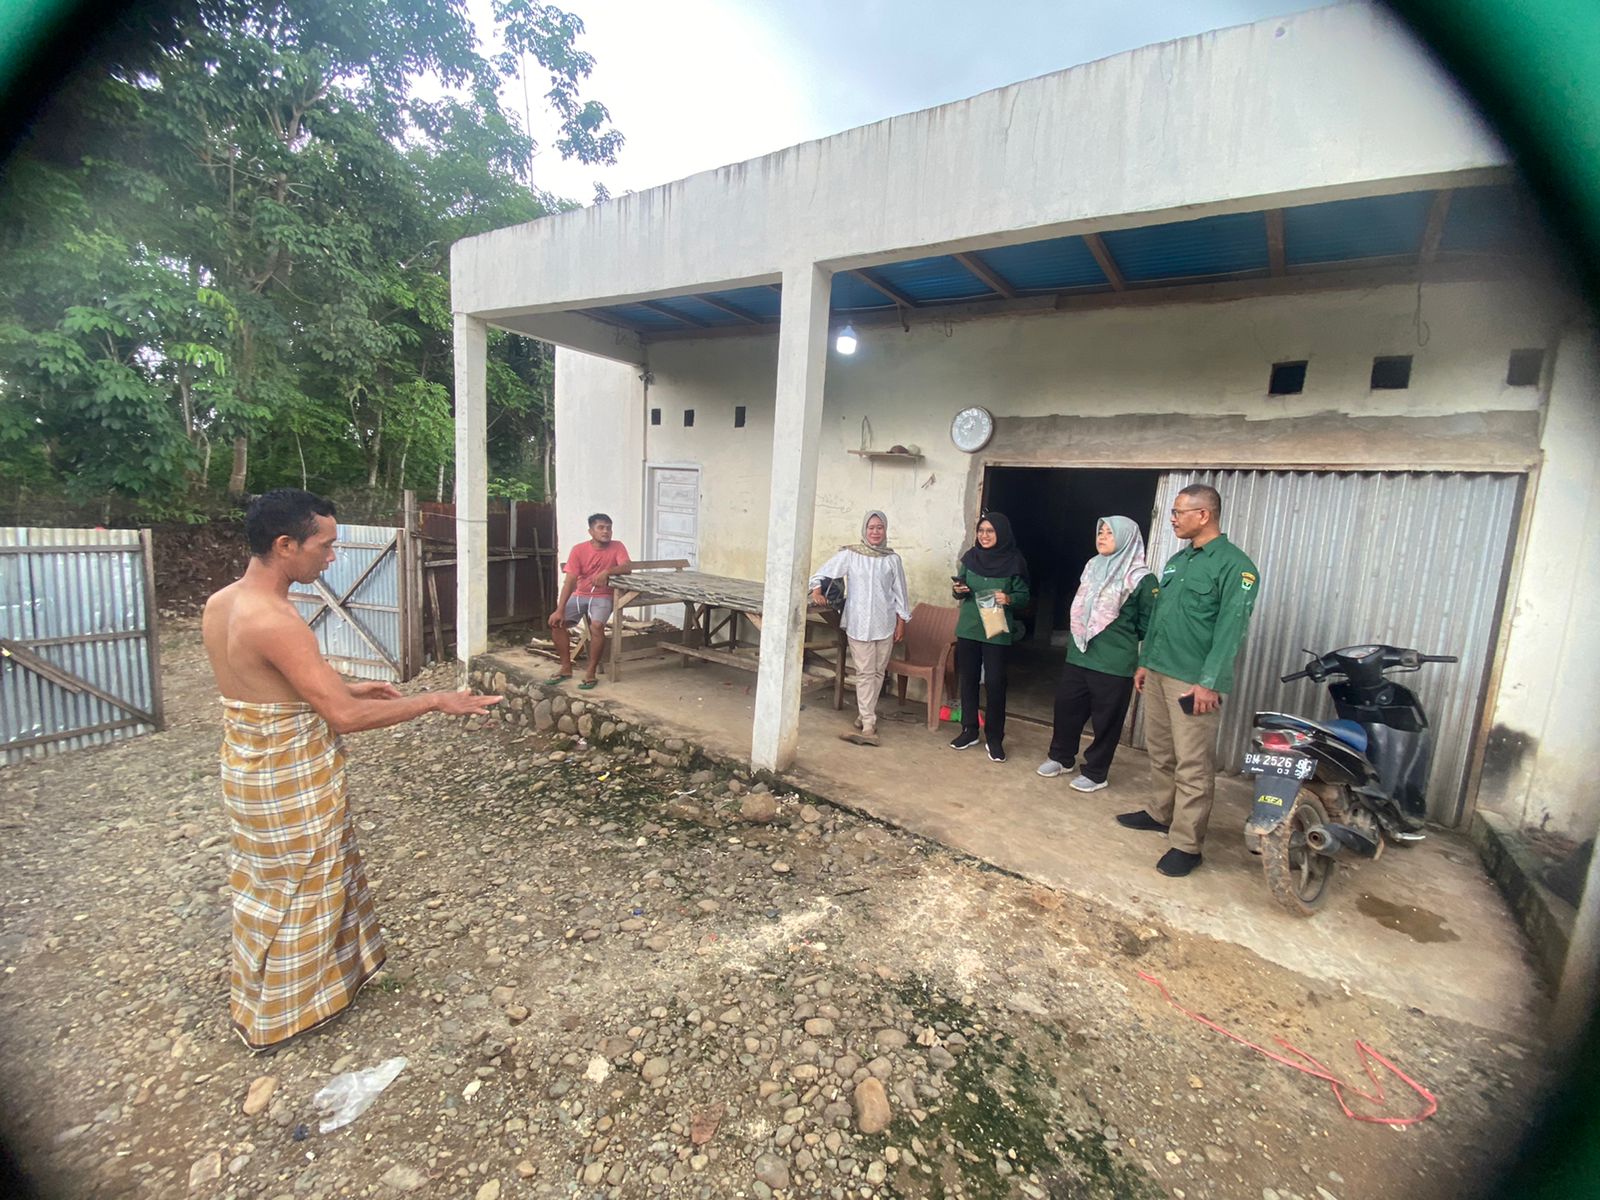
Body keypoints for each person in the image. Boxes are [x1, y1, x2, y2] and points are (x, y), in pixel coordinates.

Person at [201, 489, 502, 1051]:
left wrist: (346, 682)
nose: (333, 558)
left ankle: (298, 990)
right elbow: (341, 716)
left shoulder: (222, 603)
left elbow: (262, 686)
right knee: (306, 888)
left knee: (270, 886)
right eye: (327, 546)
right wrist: (435, 701)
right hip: (289, 775)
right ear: (285, 544)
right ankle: (281, 1016)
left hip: (247, 770)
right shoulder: (277, 617)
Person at [1115, 484, 1261, 878]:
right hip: (1161, 671)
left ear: (1204, 515)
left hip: (1193, 681)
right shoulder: (1179, 562)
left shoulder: (1235, 566)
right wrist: (1145, 661)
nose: (1173, 518)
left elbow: (1231, 630)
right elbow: (1161, 619)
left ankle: (1186, 844)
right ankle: (1161, 813)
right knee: (1161, 752)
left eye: (1180, 512)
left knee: (1193, 764)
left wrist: (1209, 682)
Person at [1037, 516, 1159, 791]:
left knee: (1107, 719)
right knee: (1067, 708)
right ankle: (1061, 757)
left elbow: (1149, 624)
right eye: (1100, 532)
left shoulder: (1141, 578)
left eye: (1109, 533)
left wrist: (1125, 645)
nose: (1102, 537)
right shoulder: (1092, 566)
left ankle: (1096, 772)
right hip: (1079, 653)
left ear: (1126, 538)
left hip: (1114, 661)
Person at [808, 510, 912, 746]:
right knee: (865, 673)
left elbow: (900, 593)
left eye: (880, 528)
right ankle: (868, 724)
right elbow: (823, 572)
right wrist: (816, 590)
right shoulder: (851, 555)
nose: (875, 532)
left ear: (885, 530)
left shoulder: (892, 559)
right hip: (858, 622)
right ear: (864, 530)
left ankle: (865, 714)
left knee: (877, 672)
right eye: (871, 527)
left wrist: (901, 621)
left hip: (884, 623)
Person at [949, 512, 1031, 763]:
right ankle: (969, 729)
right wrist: (958, 590)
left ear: (1002, 533)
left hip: (996, 630)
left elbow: (1024, 596)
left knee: (995, 683)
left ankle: (995, 737)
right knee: (969, 680)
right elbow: (959, 591)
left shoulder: (1015, 561)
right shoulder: (970, 558)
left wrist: (1009, 598)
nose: (984, 536)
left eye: (990, 531)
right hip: (970, 627)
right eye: (981, 531)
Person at [547, 513, 631, 689]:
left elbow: (626, 567)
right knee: (556, 622)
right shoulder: (579, 550)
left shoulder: (617, 546)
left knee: (597, 626)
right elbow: (570, 581)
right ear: (590, 531)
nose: (606, 531)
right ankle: (565, 667)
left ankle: (591, 671)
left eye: (609, 527)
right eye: (601, 527)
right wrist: (559, 609)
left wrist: (607, 571)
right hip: (580, 594)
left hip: (603, 596)